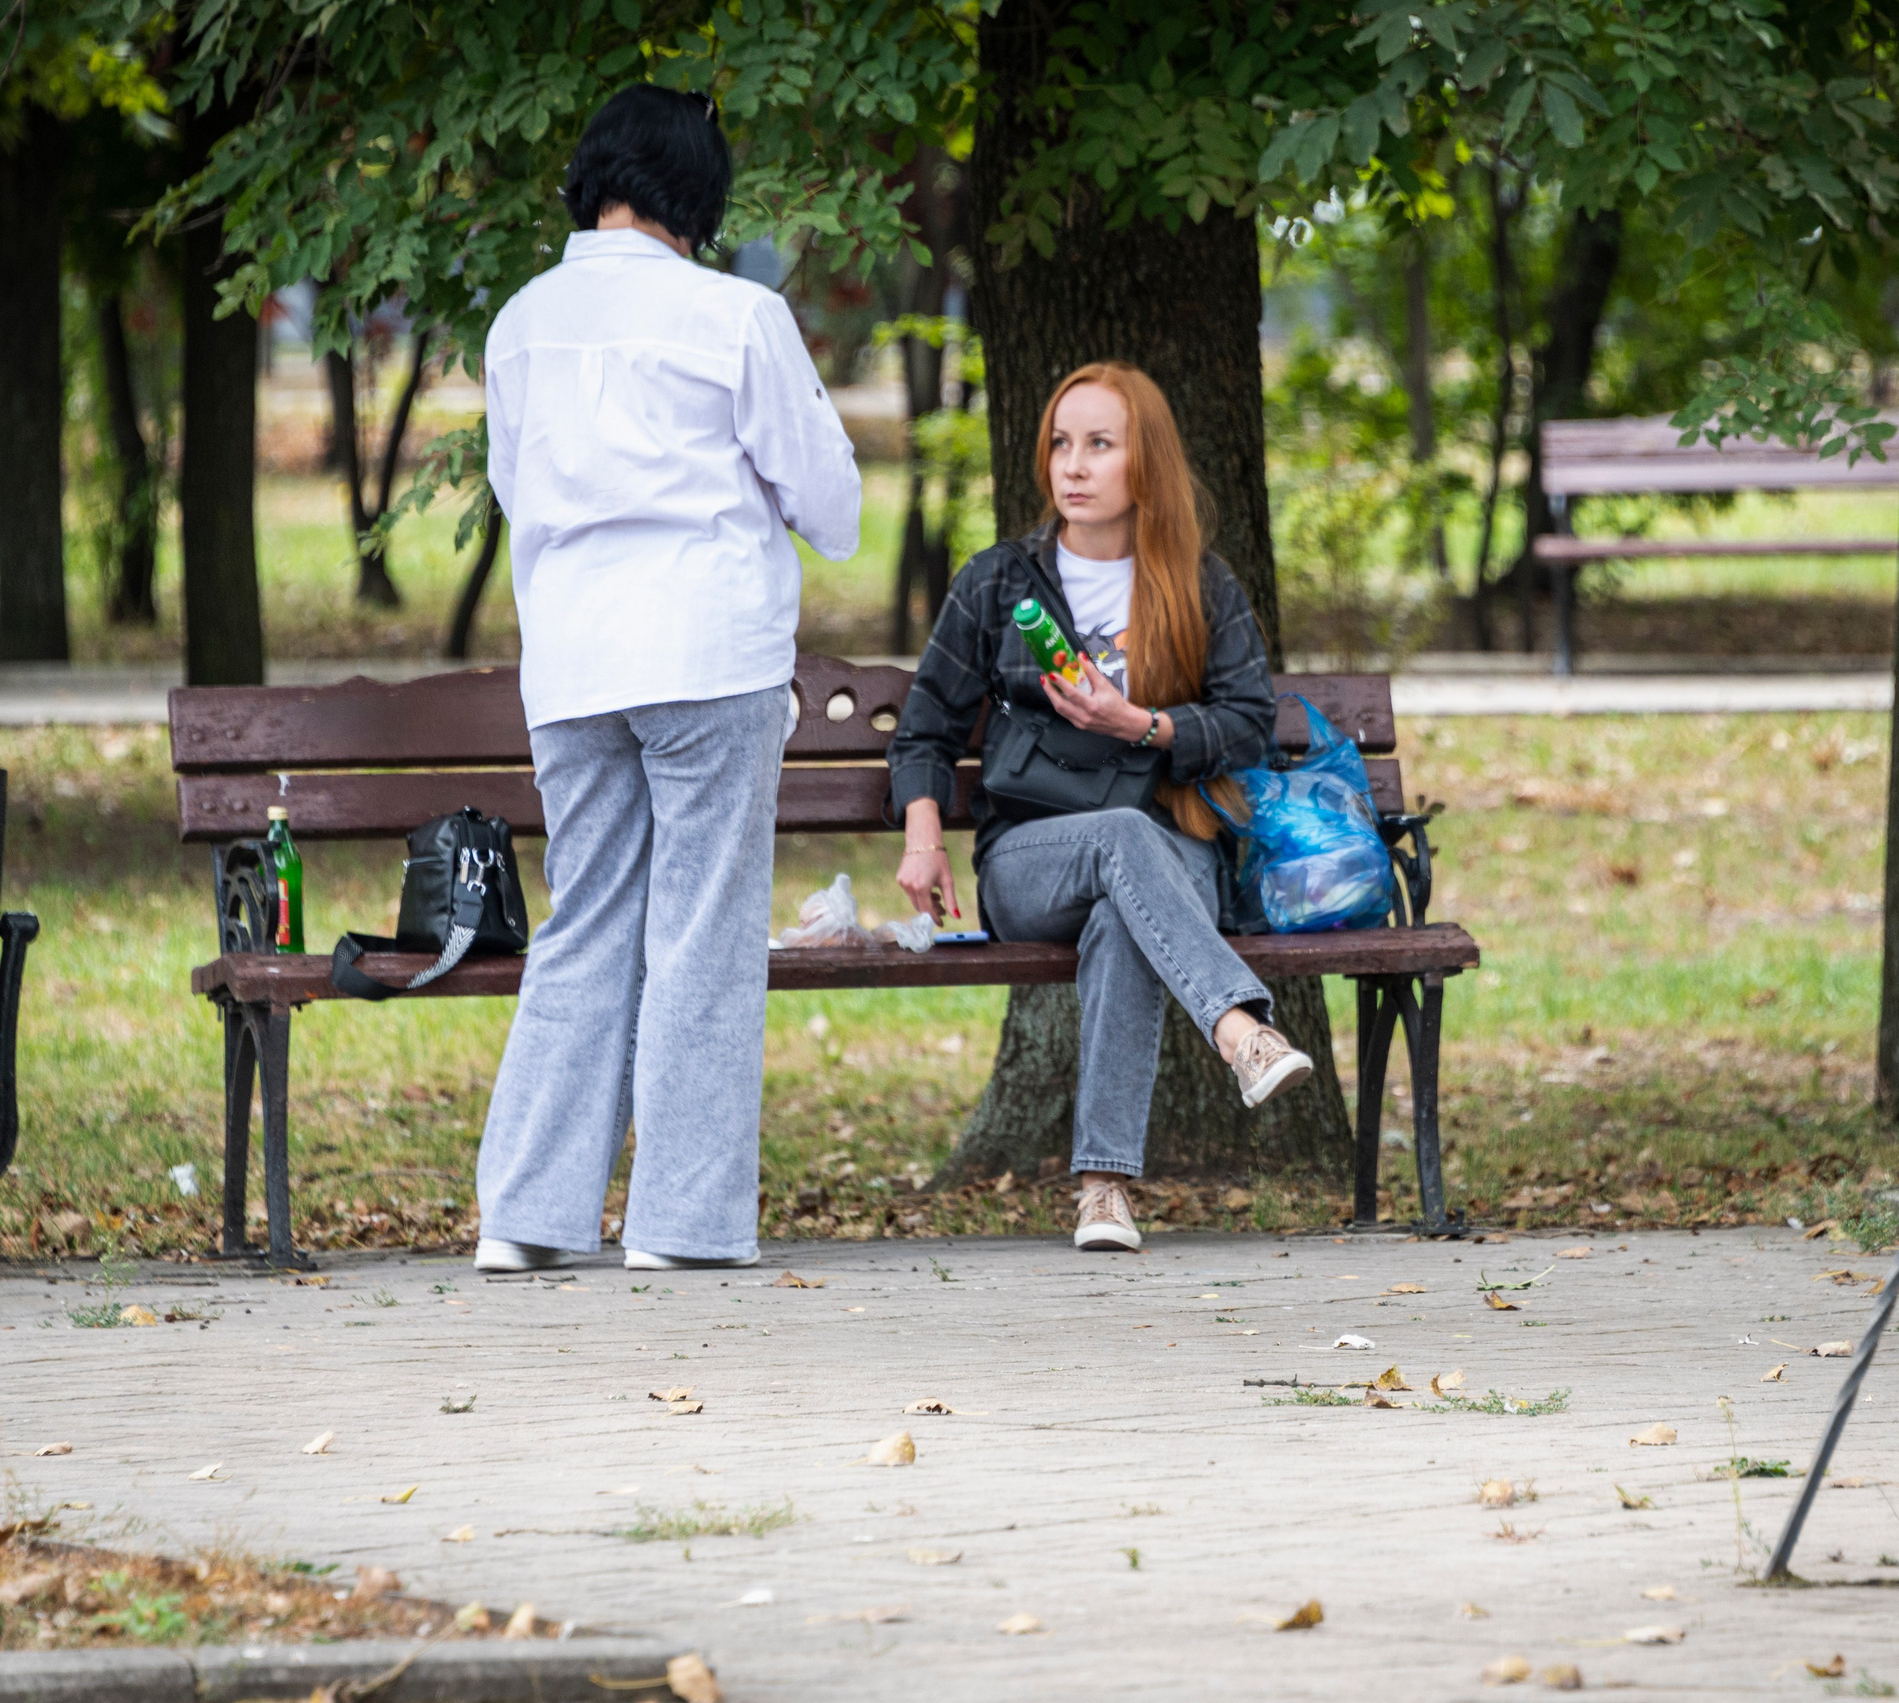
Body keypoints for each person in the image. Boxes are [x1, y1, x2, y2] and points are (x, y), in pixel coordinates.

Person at [472, 85, 861, 1273]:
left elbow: (509, 487)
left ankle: (525, 1216)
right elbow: (831, 508)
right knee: (701, 934)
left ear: (595, 180)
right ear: (696, 197)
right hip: (708, 650)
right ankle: (682, 1228)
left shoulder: (519, 323)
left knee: (585, 921)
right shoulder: (738, 316)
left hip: (575, 663)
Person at [886, 361, 1315, 1254]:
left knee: (1128, 906)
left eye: (1099, 445)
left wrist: (1143, 723)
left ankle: (1103, 1190)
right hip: (1029, 857)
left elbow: (1245, 725)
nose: (1072, 465)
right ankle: (1242, 1032)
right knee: (1120, 841)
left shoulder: (1198, 583)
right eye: (1060, 443)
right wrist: (923, 839)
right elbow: (923, 729)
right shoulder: (1000, 582)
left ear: (1144, 465)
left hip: (1174, 850)